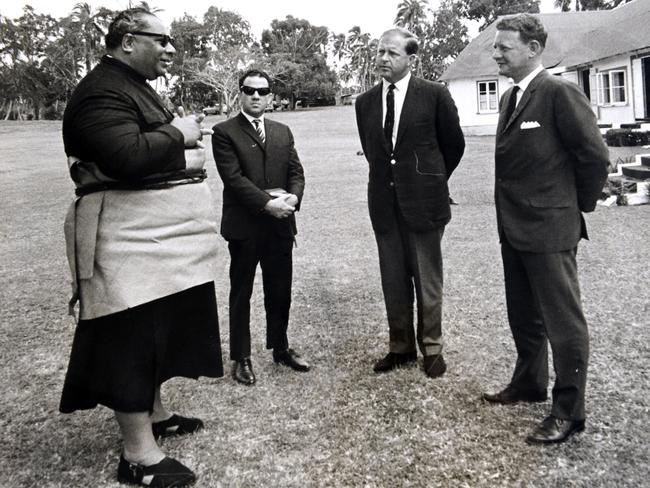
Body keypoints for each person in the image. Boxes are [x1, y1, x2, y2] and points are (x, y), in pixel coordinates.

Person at [60, 8, 222, 486]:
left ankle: (154, 416)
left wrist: (180, 148)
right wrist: (181, 134)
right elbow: (127, 157)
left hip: (158, 240)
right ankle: (138, 456)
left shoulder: (132, 85)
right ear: (128, 41)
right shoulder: (99, 92)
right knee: (131, 337)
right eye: (162, 39)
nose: (171, 48)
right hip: (127, 239)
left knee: (158, 330)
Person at [483, 14, 609, 444]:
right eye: (495, 46)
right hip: (514, 227)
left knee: (563, 323)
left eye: (504, 46)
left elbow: (594, 158)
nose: (495, 53)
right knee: (524, 315)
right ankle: (529, 383)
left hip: (551, 228)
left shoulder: (558, 92)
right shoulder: (510, 98)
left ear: (534, 49)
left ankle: (569, 411)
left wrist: (575, 209)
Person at [355, 28, 465, 378]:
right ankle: (400, 347)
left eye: (391, 53)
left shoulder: (434, 95)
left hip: (425, 206)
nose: (382, 59)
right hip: (384, 206)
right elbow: (376, 153)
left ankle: (432, 348)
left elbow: (454, 145)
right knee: (393, 280)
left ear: (411, 59)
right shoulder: (365, 102)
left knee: (427, 279)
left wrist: (429, 182)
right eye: (379, 52)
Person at [211, 69, 309, 386]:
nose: (256, 96)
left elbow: (296, 172)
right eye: (249, 90)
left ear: (270, 96)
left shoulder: (282, 131)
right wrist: (269, 204)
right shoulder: (224, 132)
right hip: (245, 228)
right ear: (240, 93)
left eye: (262, 91)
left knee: (280, 292)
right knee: (242, 293)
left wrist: (293, 198)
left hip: (281, 227)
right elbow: (234, 180)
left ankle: (280, 348)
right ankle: (241, 357)